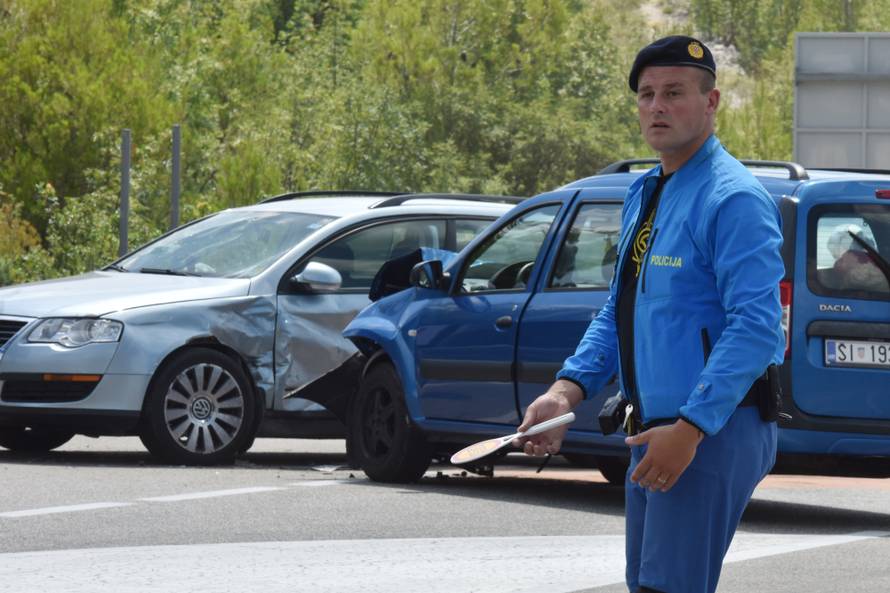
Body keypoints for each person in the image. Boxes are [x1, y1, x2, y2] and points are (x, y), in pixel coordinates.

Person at [514, 35, 785, 593]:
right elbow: (621, 308)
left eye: (675, 93)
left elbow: (757, 327)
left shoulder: (732, 198)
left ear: (710, 104)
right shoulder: (647, 190)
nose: (657, 107)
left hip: (707, 430)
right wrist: (566, 391)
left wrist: (691, 429)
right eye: (647, 94)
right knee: (650, 585)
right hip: (652, 432)